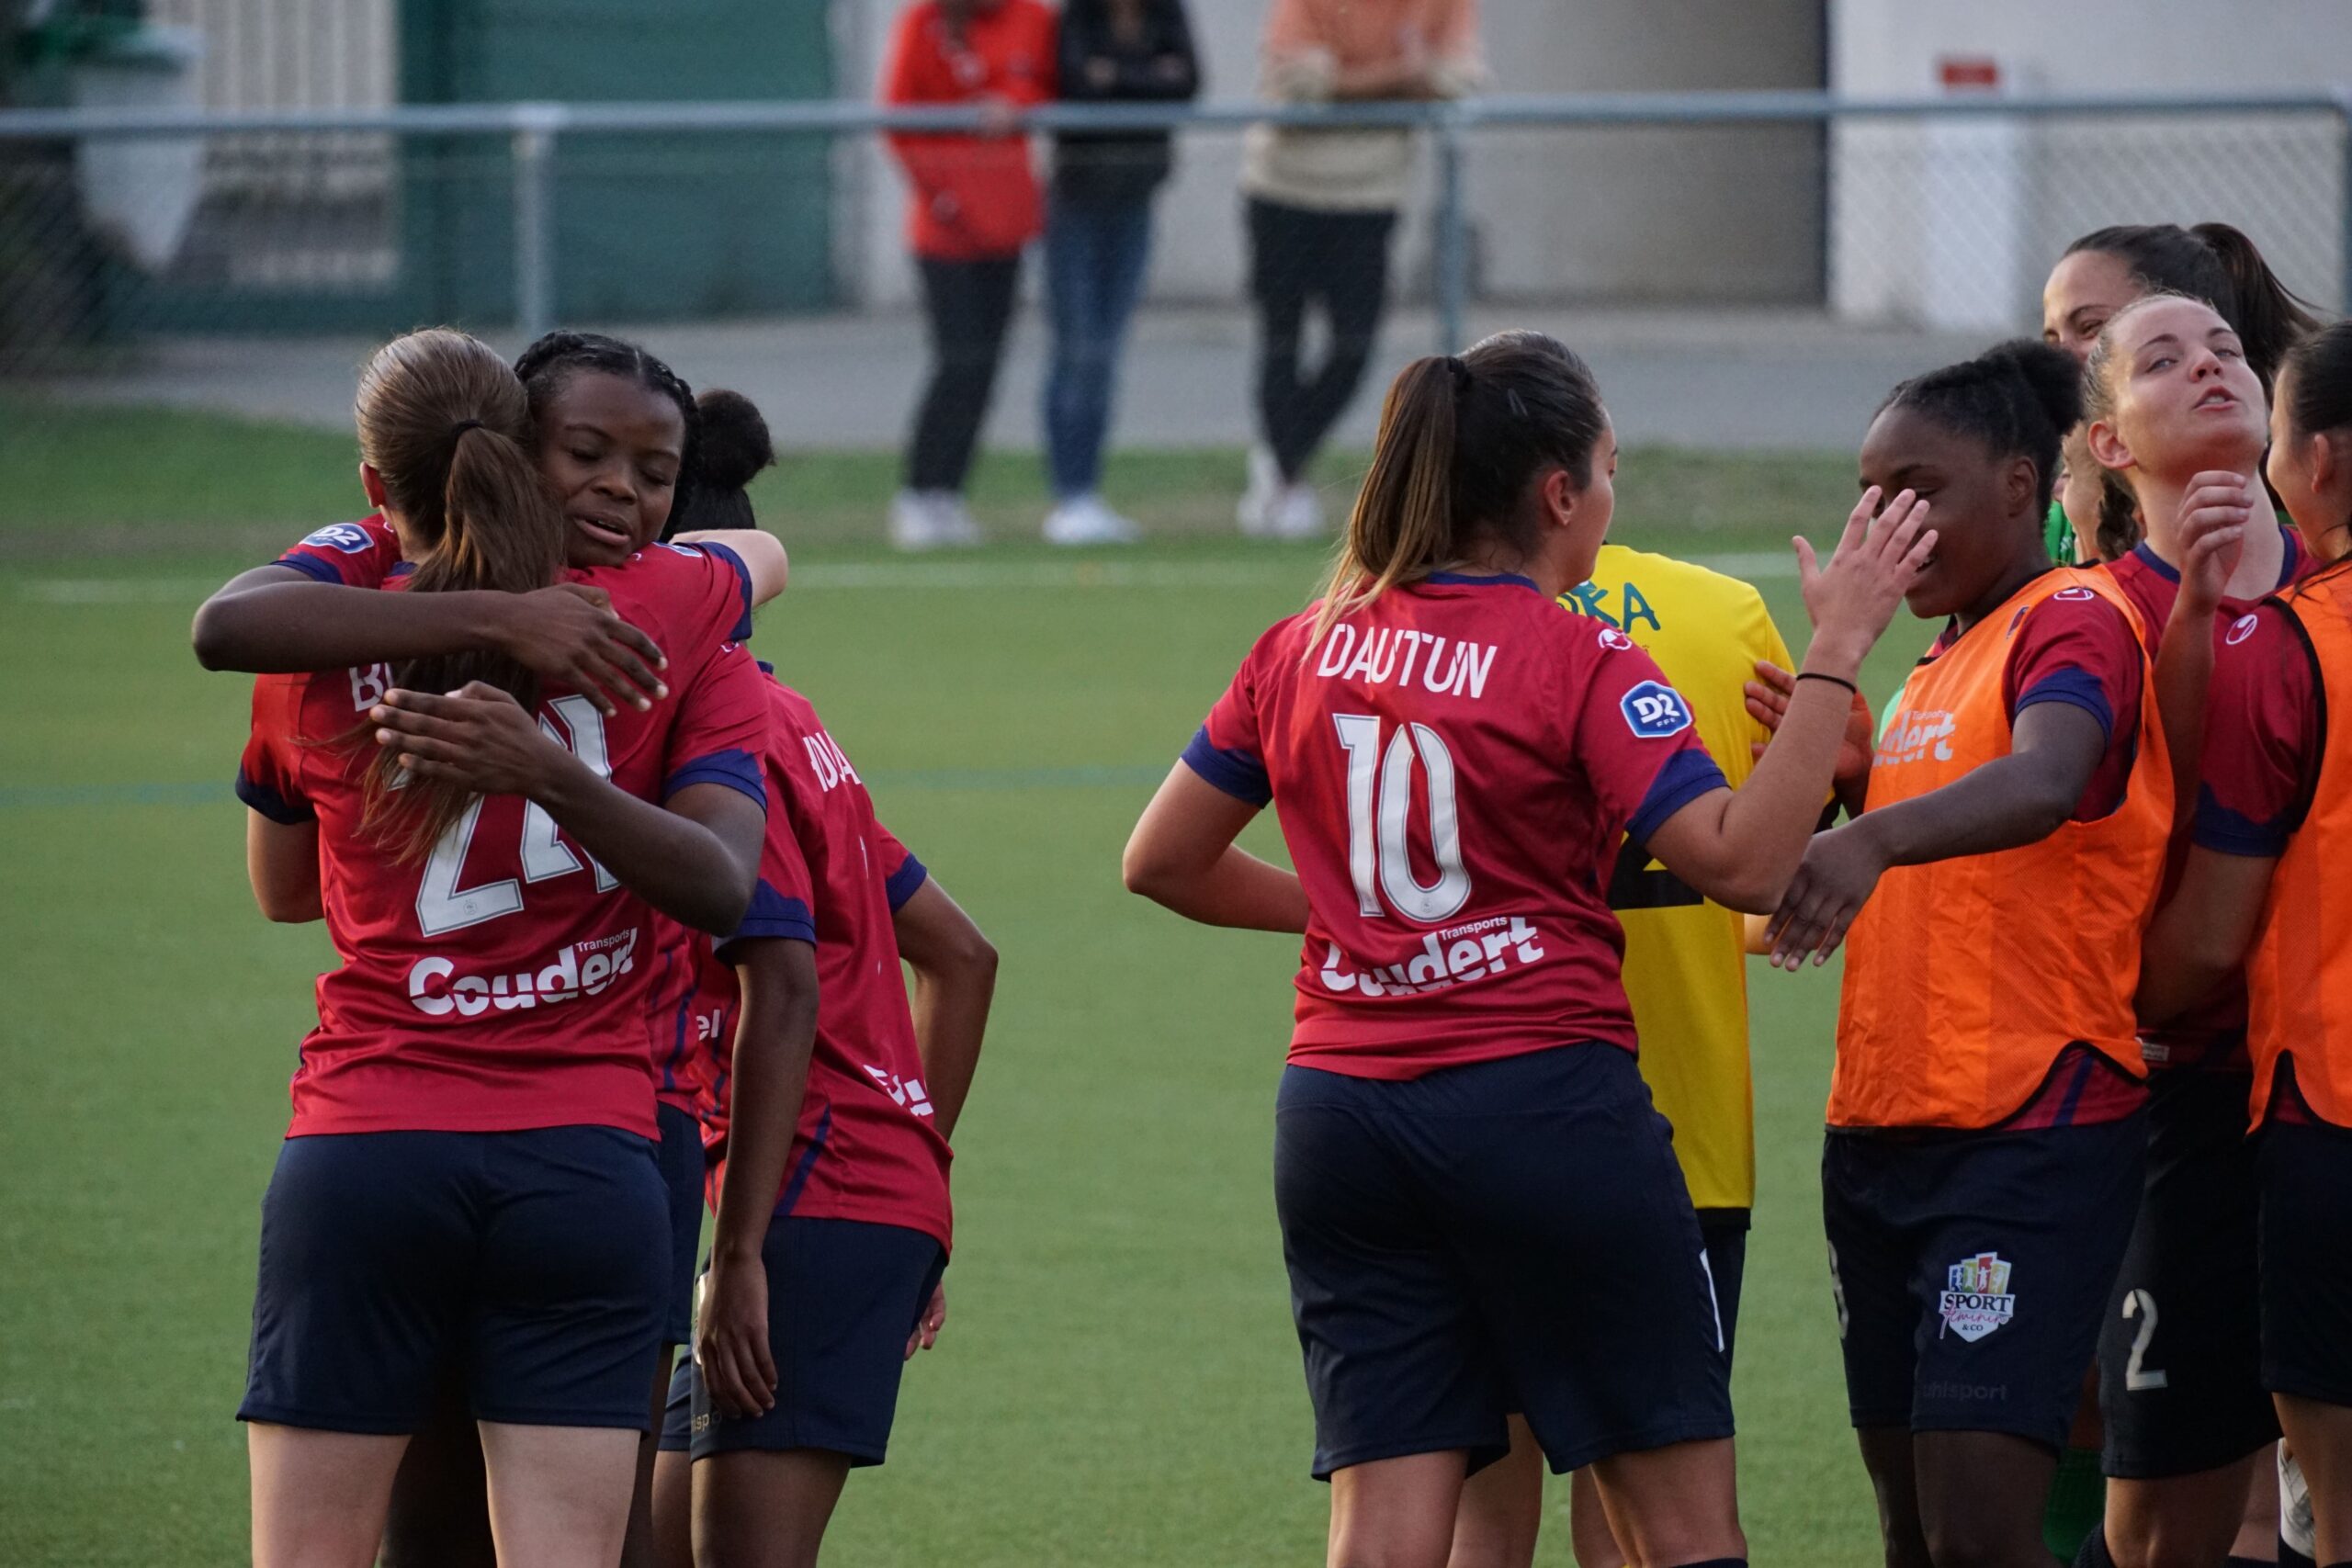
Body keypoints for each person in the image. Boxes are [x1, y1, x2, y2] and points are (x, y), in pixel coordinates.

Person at [1124, 330, 1933, 1568]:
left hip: (1341, 1118)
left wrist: (1368, 927)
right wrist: (1836, 648)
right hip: (1545, 1110)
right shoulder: (1578, 653)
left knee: (1387, 1535)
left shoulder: (1301, 644)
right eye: (1605, 472)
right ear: (1559, 493)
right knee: (1679, 1526)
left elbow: (1161, 859)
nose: (1610, 501)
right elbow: (1744, 860)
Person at [201, 333, 792, 1568]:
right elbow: (759, 558)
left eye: (649, 469)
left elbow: (233, 654)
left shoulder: (322, 628)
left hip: (367, 1140)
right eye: (590, 456)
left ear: (382, 480)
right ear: (514, 453)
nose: (622, 491)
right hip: (586, 1153)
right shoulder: (671, 613)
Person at [1763, 342, 2173, 1568]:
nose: (1889, 522)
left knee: (1985, 1534)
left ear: (2014, 482)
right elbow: (1945, 867)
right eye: (1870, 493)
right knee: (1914, 1533)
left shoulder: (2074, 619)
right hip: (1883, 1128)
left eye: (1918, 488)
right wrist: (1850, 788)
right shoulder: (1940, 662)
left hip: (2024, 1126)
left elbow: (2049, 780)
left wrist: (1871, 833)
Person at [638, 395, 1000, 1568]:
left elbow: (786, 977)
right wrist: (916, 1172)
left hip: (806, 1200)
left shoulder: (726, 750)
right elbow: (962, 953)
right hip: (845, 1193)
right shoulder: (791, 721)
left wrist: (858, 1204)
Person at [1450, 545, 1814, 1568]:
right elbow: (1765, 882)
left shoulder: (1390, 628)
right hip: (1678, 1126)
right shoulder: (1724, 613)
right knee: (1645, 1521)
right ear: (1580, 477)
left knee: (1479, 1524)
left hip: (1461, 1115)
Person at [2065, 290, 2311, 1568]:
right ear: (2110, 441)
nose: (2210, 368)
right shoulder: (2089, 614)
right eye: (2163, 360)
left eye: (2224, 347)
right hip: (2175, 1092)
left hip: (2319, 1088)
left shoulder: (2331, 583)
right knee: (2170, 1510)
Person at [2137, 320, 2352, 1568]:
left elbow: (2210, 939)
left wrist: (2109, 1005)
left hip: (2326, 1112)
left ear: (2314, 462)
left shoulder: (2290, 647)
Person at [1235, 0, 1482, 540]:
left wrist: (1353, 80)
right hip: (1283, 186)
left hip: (1370, 195)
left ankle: (1282, 464)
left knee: (1354, 344)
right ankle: (1285, 478)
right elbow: (1300, 82)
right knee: (1282, 338)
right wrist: (1402, 76)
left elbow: (1458, 79)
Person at [881, 0, 1057, 551]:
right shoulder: (923, 22)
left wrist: (1015, 103)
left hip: (1005, 221)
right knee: (957, 361)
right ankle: (919, 490)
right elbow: (898, 115)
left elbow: (1049, 82)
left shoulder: (1030, 18)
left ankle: (950, 493)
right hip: (946, 228)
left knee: (986, 365)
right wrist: (944, 194)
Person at [2041, 222, 2323, 564]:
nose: (2059, 359)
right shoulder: (2051, 521)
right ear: (2109, 443)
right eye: (2052, 339)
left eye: (2090, 327)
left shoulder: (2313, 519)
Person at [1039, 0, 1200, 547]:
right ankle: (1070, 492)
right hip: (1078, 200)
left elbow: (1188, 82)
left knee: (1106, 349)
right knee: (1079, 347)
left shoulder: (1165, 16)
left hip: (1135, 197)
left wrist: (1120, 78)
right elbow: (1080, 83)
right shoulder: (1078, 19)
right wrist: (1150, 78)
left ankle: (1088, 492)